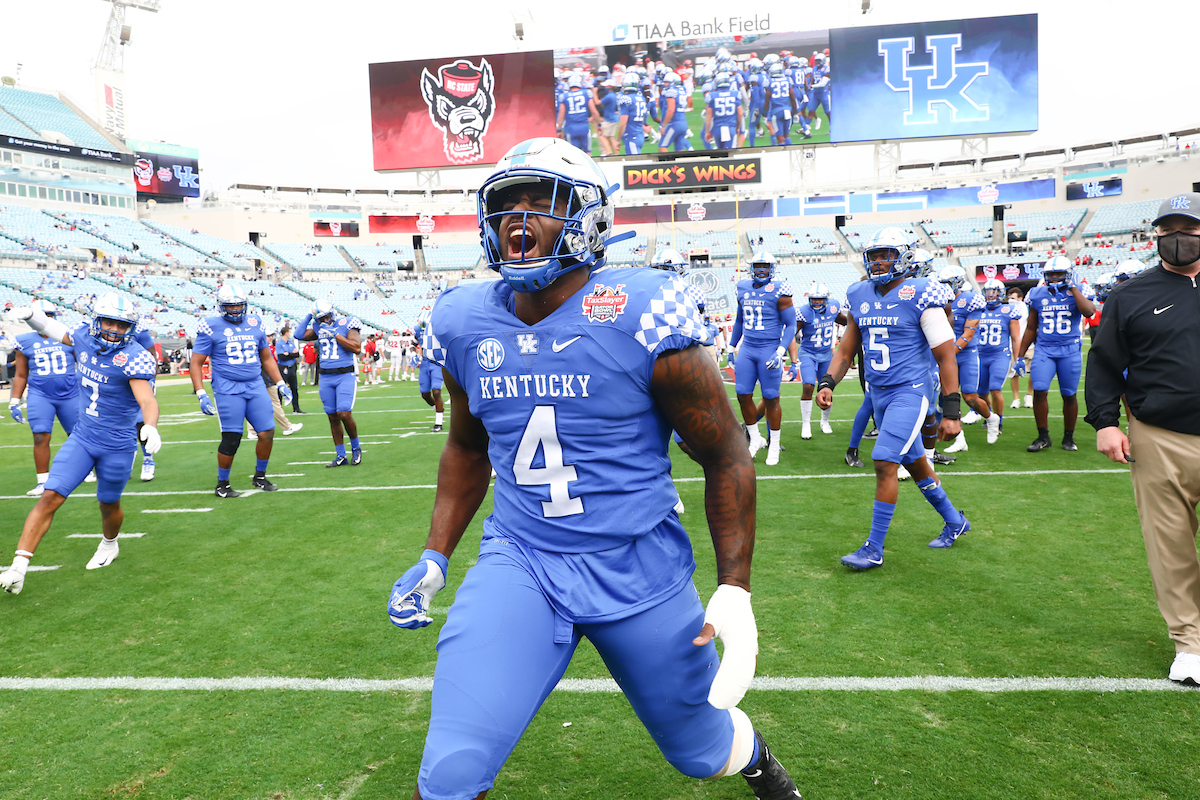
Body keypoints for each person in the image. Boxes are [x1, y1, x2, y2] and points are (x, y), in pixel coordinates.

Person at [387, 136, 801, 800]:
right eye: (505, 204)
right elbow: (466, 447)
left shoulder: (641, 309)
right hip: (523, 560)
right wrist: (436, 555)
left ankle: (754, 759)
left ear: (589, 218)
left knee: (702, 751)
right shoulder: (463, 319)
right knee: (452, 771)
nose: (519, 218)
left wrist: (735, 589)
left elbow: (725, 453)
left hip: (637, 564)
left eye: (541, 202)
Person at [1084, 192, 1200, 686]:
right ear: (1155, 236)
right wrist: (1106, 421)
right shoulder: (1131, 294)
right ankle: (1190, 643)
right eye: (1168, 230)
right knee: (1169, 543)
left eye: (1188, 229)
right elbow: (1105, 361)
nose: (1178, 239)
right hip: (1160, 434)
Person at [815, 227, 968, 570]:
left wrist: (952, 409)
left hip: (910, 392)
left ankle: (874, 548)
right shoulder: (859, 293)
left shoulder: (923, 292)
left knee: (885, 460)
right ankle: (955, 521)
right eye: (874, 255)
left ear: (905, 256)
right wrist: (828, 381)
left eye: (886, 254)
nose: (879, 262)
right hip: (879, 394)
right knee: (916, 464)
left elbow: (946, 356)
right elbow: (846, 348)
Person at [1, 294, 161, 595]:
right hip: (84, 436)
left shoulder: (136, 355)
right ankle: (19, 566)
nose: (114, 329)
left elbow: (147, 399)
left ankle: (110, 543)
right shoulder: (84, 336)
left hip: (118, 443)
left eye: (122, 324)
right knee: (51, 496)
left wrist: (150, 425)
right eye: (109, 321)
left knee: (108, 503)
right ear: (97, 320)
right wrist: (30, 317)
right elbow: (54, 329)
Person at [190, 283, 292, 497]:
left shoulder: (255, 322)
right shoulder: (209, 325)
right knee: (232, 437)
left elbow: (266, 357)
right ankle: (222, 483)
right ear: (221, 306)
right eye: (230, 306)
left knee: (267, 432)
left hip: (255, 384)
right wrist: (200, 392)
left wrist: (280, 382)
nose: (235, 310)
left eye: (238, 305)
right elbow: (196, 362)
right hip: (227, 387)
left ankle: (260, 476)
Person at [1017, 255, 1096, 452]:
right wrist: (1020, 355)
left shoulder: (1078, 290)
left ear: (1069, 274)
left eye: (1058, 274)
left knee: (1069, 394)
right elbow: (1030, 327)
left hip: (1069, 350)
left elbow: (1088, 311)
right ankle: (1043, 436)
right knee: (1040, 390)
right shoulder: (1037, 293)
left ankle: (1068, 437)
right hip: (1044, 349)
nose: (1054, 278)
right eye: (1050, 275)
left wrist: (1073, 288)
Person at [730, 249, 796, 466]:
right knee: (742, 394)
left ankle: (774, 443)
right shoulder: (742, 287)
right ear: (751, 268)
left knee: (770, 397)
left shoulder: (780, 290)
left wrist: (780, 350)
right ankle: (755, 438)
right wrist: (731, 346)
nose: (761, 271)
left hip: (769, 347)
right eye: (757, 266)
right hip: (747, 347)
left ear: (772, 269)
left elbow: (791, 325)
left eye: (765, 267)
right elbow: (739, 320)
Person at [8, 299, 79, 496]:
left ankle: (83, 470)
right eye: (43, 316)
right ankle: (43, 480)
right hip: (41, 395)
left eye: (50, 316)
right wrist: (14, 400)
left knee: (77, 435)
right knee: (40, 436)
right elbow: (21, 374)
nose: (47, 320)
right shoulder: (24, 340)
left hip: (70, 394)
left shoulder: (68, 337)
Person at [938, 265, 999, 452]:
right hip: (946, 354)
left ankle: (991, 417)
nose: (944, 286)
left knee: (970, 397)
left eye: (947, 283)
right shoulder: (939, 300)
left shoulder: (970, 299)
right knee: (946, 397)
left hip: (965, 354)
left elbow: (968, 335)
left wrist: (947, 354)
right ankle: (959, 439)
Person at [296, 298, 363, 467]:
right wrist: (309, 317)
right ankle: (341, 455)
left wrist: (336, 334)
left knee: (344, 413)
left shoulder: (347, 322)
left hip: (344, 374)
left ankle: (356, 448)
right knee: (332, 417)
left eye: (326, 316)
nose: (325, 320)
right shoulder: (318, 326)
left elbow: (356, 348)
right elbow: (298, 335)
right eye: (321, 318)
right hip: (325, 376)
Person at [795, 281, 845, 440]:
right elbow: (791, 332)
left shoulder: (833, 307)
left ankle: (824, 421)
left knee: (827, 389)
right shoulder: (803, 311)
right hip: (808, 353)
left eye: (820, 299)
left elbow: (844, 321)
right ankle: (806, 423)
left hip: (826, 355)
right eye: (814, 299)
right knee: (808, 385)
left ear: (826, 299)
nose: (817, 302)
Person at [975, 278, 1022, 435]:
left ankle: (999, 420)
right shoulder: (978, 309)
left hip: (999, 355)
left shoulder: (1009, 310)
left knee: (995, 389)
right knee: (981, 393)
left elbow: (1015, 338)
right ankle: (989, 416)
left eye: (994, 292)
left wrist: (1018, 358)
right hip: (980, 355)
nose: (990, 295)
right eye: (988, 292)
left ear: (1001, 294)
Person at [414, 308, 444, 433]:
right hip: (425, 362)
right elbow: (416, 343)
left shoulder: (439, 328)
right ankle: (438, 408)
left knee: (436, 392)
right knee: (425, 394)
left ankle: (439, 422)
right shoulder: (417, 329)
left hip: (436, 361)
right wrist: (417, 355)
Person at [275, 326, 302, 413]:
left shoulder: (291, 343)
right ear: (286, 333)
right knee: (281, 389)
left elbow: (297, 354)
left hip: (292, 368)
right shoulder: (279, 344)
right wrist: (291, 354)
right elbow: (281, 357)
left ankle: (296, 408)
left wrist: (288, 354)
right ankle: (279, 409)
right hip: (283, 368)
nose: (290, 334)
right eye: (289, 332)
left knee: (294, 388)